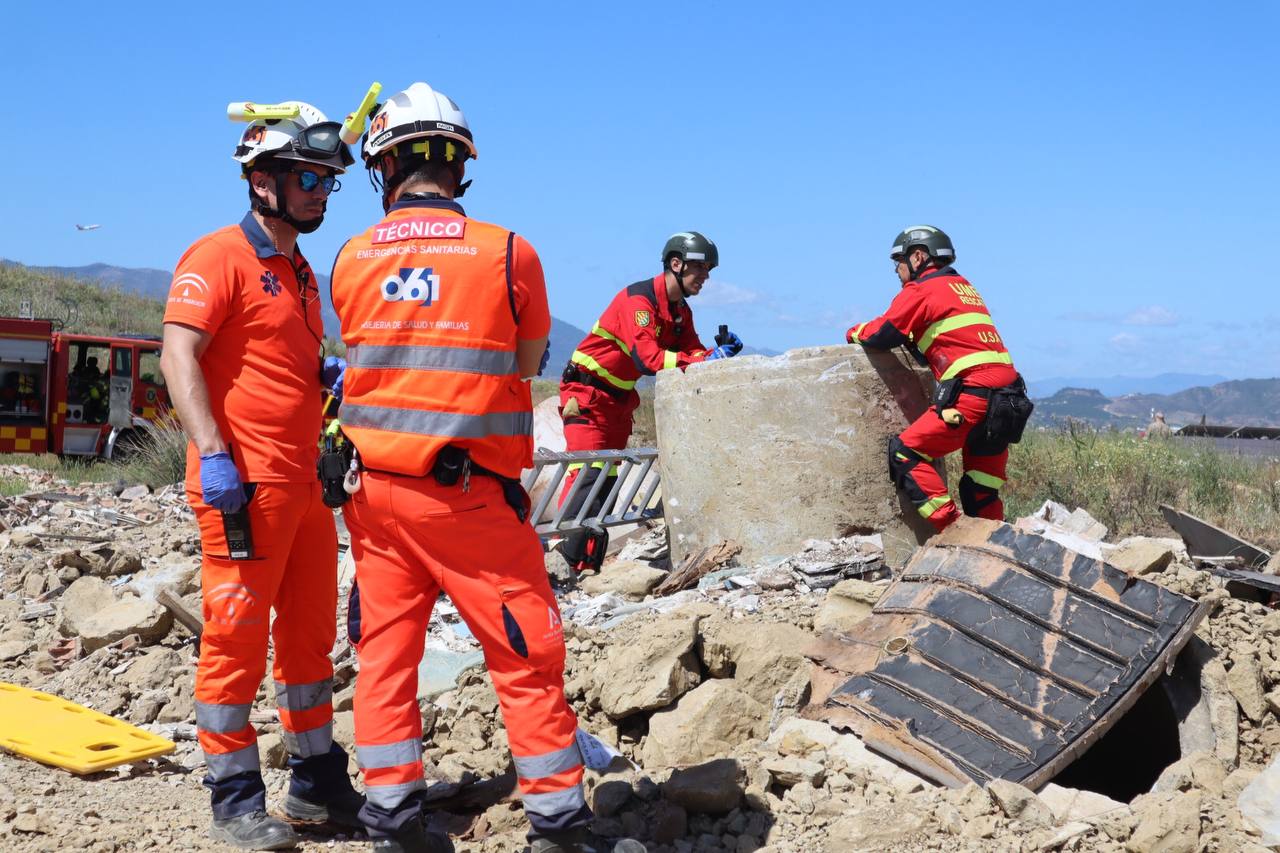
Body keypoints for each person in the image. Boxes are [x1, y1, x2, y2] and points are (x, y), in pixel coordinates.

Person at [330, 81, 644, 853]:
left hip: (374, 499)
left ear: (387, 167)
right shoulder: (509, 253)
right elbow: (529, 358)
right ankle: (559, 825)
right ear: (460, 166)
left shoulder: (351, 257)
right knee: (526, 653)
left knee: (384, 659)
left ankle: (394, 820)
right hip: (468, 500)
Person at [160, 99, 361, 850]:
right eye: (309, 176)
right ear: (261, 179)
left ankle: (314, 783)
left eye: (327, 180)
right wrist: (212, 451)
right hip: (242, 488)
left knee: (309, 644)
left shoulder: (302, 273)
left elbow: (286, 370)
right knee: (237, 641)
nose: (320, 190)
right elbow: (177, 356)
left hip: (302, 488)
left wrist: (327, 393)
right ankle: (235, 797)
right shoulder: (216, 257)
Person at [556, 232, 742, 571]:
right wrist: (702, 360)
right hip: (587, 396)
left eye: (709, 270)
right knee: (586, 475)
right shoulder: (638, 302)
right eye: (700, 268)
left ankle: (585, 566)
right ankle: (562, 563)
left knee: (606, 480)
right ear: (676, 263)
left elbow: (693, 350)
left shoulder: (680, 311)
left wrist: (718, 353)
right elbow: (649, 360)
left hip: (618, 401)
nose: (706, 277)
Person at [846, 225, 1032, 532]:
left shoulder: (921, 289)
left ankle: (953, 533)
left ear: (918, 257)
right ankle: (994, 548)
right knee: (980, 487)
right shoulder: (964, 287)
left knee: (905, 451)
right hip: (1009, 400)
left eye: (899, 263)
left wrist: (854, 332)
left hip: (974, 396)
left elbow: (882, 333)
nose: (897, 271)